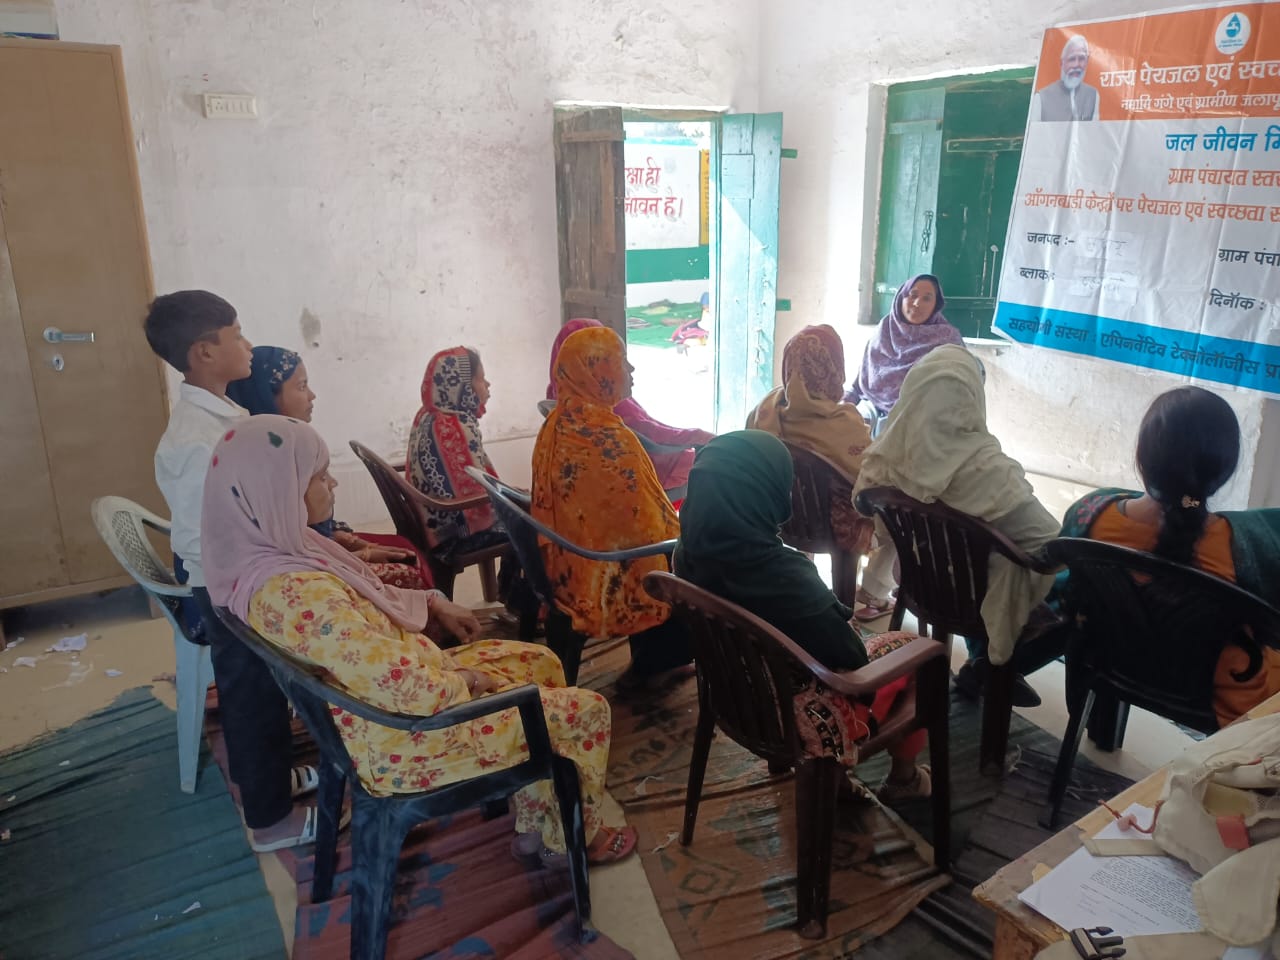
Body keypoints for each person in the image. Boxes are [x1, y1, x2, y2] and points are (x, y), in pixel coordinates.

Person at [201, 415, 637, 864]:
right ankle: (569, 842)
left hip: (390, 702)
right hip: (403, 738)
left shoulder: (277, 555)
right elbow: (399, 684)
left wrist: (432, 606)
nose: (332, 483)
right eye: (318, 475)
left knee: (541, 662)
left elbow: (369, 628)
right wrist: (466, 680)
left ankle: (539, 818)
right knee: (587, 711)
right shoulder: (297, 596)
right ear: (277, 492)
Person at [146, 291, 318, 852]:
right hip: (228, 587)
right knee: (253, 698)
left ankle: (267, 783)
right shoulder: (197, 441)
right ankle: (270, 823)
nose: (247, 344)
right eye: (237, 335)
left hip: (239, 576)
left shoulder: (223, 416)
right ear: (204, 352)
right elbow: (208, 535)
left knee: (262, 690)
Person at [674, 431, 930, 802]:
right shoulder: (784, 576)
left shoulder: (686, 553)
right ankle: (903, 780)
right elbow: (852, 659)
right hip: (797, 719)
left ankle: (835, 783)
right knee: (922, 656)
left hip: (735, 698)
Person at [1059, 386, 1280, 725]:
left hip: (1114, 665)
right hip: (1233, 704)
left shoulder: (1091, 516)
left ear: (1142, 456)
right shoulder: (1243, 548)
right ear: (1225, 469)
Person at [852, 344, 1059, 707]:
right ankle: (991, 668)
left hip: (919, 584)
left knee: (991, 560)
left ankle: (983, 665)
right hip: (972, 600)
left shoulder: (888, 454)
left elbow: (866, 505)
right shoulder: (990, 472)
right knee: (1073, 587)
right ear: (971, 397)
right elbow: (1049, 544)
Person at [533, 325, 692, 687]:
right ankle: (658, 664)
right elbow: (649, 524)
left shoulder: (558, 423)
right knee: (686, 554)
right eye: (621, 361)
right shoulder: (608, 438)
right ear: (596, 371)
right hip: (596, 576)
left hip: (566, 562)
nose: (631, 369)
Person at [227, 345, 429, 590]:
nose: (312, 396)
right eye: (302, 386)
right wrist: (361, 556)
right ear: (266, 395)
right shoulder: (264, 460)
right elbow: (290, 553)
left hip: (314, 553)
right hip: (300, 573)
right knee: (408, 571)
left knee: (403, 552)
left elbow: (311, 532)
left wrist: (351, 543)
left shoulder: (288, 442)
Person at [546, 318, 714, 493]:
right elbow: (653, 434)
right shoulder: (609, 423)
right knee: (716, 466)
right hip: (654, 462)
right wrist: (698, 435)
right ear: (594, 363)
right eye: (618, 360)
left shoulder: (558, 401)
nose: (631, 368)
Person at [747, 324, 874, 553]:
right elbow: (869, 478)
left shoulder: (767, 409)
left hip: (780, 518)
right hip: (834, 529)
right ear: (834, 369)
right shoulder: (844, 424)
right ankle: (870, 579)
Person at [405, 347, 510, 565]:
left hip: (432, 524)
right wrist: (513, 502)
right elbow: (475, 495)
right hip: (452, 536)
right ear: (462, 387)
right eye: (480, 378)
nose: (488, 384)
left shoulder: (428, 415)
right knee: (532, 525)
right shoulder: (454, 427)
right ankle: (517, 586)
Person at [844, 275, 964, 424]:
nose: (917, 303)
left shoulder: (948, 339)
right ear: (901, 298)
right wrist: (843, 403)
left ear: (936, 305)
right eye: (912, 295)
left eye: (927, 299)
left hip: (925, 418)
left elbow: (960, 390)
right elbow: (860, 383)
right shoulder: (884, 330)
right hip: (874, 407)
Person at [1031, 35, 1098, 122]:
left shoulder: (1093, 95)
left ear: (1087, 61)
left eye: (1081, 58)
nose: (1076, 65)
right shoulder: (1041, 98)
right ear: (1062, 63)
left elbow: (1094, 128)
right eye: (1072, 59)